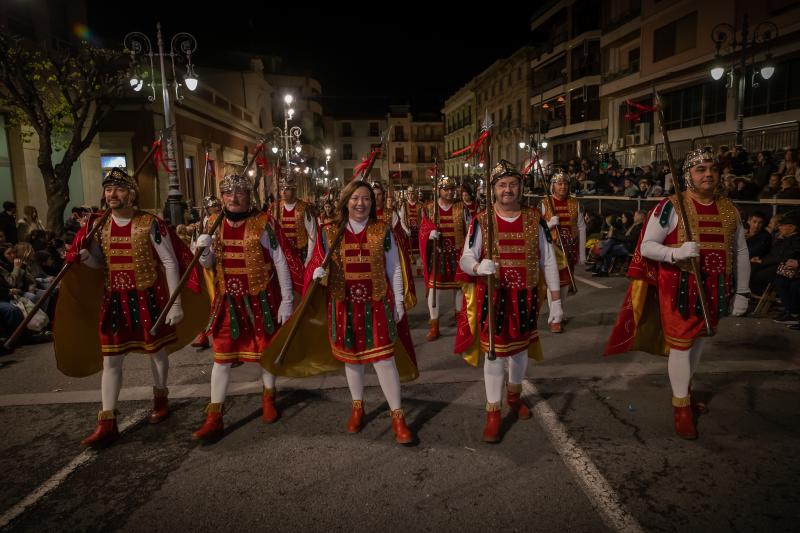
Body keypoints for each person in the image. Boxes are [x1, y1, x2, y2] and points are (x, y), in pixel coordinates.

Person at [605, 147, 750, 440]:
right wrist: (676, 253)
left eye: (713, 169)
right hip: (680, 289)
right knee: (682, 345)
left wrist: (743, 292)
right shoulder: (670, 207)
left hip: (715, 289)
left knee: (698, 342)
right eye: (700, 169)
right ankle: (680, 406)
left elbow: (741, 251)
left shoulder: (729, 209)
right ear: (687, 176)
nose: (708, 174)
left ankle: (685, 390)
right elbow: (647, 246)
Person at [55, 168, 206, 447]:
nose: (112, 194)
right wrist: (85, 257)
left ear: (132, 194)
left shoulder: (150, 223)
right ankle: (107, 420)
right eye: (108, 189)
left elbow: (170, 262)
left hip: (148, 297)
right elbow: (99, 264)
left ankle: (160, 398)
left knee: (156, 352)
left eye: (119, 189)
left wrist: (175, 303)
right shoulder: (98, 225)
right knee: (111, 360)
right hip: (114, 299)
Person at [293, 179, 418, 444]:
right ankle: (357, 406)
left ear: (372, 203)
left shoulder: (382, 231)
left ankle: (398, 416)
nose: (361, 203)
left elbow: (394, 268)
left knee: (384, 360)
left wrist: (398, 302)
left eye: (366, 199)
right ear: (345, 201)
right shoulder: (329, 232)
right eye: (355, 198)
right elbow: (317, 263)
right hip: (343, 304)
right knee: (352, 359)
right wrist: (317, 272)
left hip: (377, 303)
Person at [456, 160, 562, 442]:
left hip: (526, 297)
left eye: (513, 184)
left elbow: (548, 261)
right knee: (494, 353)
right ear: (493, 189)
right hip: (494, 297)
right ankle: (493, 412)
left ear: (521, 187)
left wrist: (556, 301)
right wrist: (478, 267)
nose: (508, 190)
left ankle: (514, 396)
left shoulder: (534, 218)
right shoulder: (481, 220)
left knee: (518, 350)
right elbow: (466, 258)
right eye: (502, 185)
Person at [191, 174, 295, 441]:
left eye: (239, 193)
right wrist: (203, 250)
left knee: (265, 350)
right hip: (228, 300)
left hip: (260, 298)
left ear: (250, 196)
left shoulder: (263, 222)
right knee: (221, 356)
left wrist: (287, 299)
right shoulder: (213, 223)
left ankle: (268, 396)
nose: (233, 198)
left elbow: (280, 260)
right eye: (228, 193)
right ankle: (214, 415)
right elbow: (207, 264)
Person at [419, 176, 470, 341]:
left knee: (459, 288)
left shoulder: (462, 207)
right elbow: (422, 229)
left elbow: (469, 230)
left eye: (452, 189)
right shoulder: (429, 208)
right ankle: (434, 325)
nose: (450, 192)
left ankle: (459, 318)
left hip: (457, 253)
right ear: (439, 190)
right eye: (446, 189)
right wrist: (429, 234)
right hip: (438, 254)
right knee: (434, 288)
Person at [541, 169, 586, 332]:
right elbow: (537, 229)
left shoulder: (575, 203)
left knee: (566, 282)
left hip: (570, 247)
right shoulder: (545, 203)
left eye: (565, 183)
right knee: (554, 282)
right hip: (553, 248)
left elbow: (581, 227)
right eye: (559, 184)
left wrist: (582, 252)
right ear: (553, 186)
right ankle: (554, 318)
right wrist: (549, 224)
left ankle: (559, 311)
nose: (563, 187)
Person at [275, 175, 317, 265]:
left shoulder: (304, 207)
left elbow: (312, 234)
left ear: (294, 190)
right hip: (283, 254)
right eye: (281, 189)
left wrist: (309, 259)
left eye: (287, 189)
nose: (283, 192)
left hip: (301, 253)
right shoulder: (276, 208)